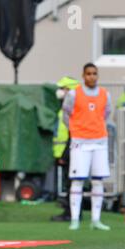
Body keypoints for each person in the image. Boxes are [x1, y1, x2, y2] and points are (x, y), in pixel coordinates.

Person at [63, 63, 112, 231]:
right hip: (80, 142)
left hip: (99, 141)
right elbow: (66, 114)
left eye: (94, 73)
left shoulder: (106, 94)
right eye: (88, 74)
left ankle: (96, 220)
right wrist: (74, 131)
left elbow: (106, 113)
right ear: (83, 76)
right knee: (77, 181)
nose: (92, 76)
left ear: (97, 75)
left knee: (98, 181)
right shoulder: (73, 93)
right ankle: (75, 219)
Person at [51, 76, 80, 222]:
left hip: (70, 149)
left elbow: (72, 132)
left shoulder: (74, 106)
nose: (60, 91)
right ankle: (70, 211)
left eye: (62, 88)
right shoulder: (65, 106)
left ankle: (71, 213)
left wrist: (65, 153)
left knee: (73, 182)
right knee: (70, 183)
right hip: (65, 149)